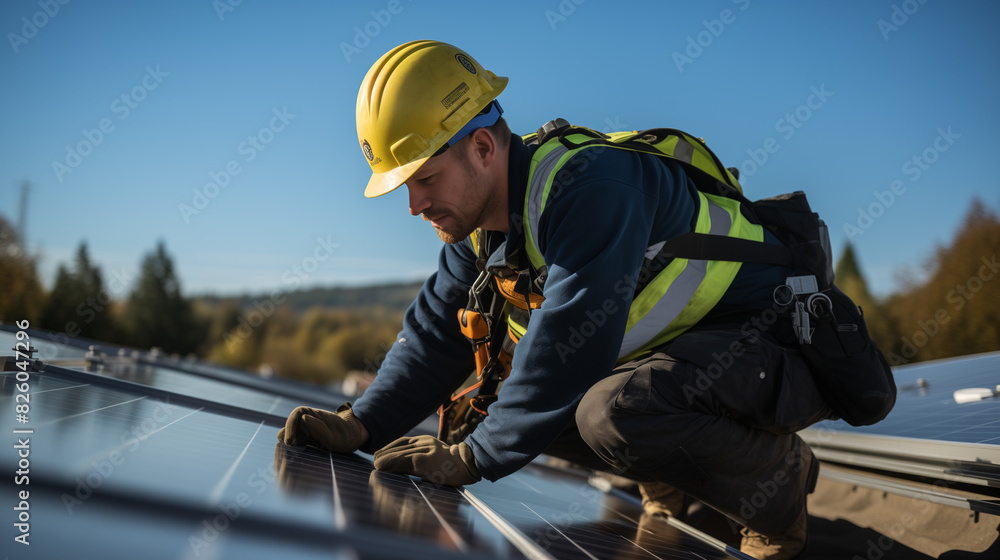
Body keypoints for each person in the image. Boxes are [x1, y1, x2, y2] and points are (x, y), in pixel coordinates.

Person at [278, 40, 833, 559]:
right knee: (503, 400)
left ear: (482, 145)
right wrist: (362, 424)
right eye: (405, 188)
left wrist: (474, 456)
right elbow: (436, 334)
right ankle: (670, 470)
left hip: (771, 350)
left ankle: (775, 486)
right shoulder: (481, 230)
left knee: (602, 412)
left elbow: (569, 347)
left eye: (425, 178)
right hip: (685, 367)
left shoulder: (590, 189)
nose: (415, 204)